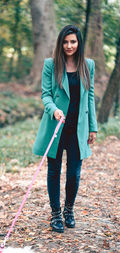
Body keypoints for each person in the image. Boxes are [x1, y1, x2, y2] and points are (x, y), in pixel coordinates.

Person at [33, 25, 98, 233]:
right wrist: (54, 110)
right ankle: (55, 213)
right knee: (54, 171)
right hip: (57, 125)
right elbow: (46, 95)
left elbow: (90, 97)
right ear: (60, 43)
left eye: (73, 41)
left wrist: (93, 128)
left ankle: (69, 210)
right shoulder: (51, 65)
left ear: (79, 43)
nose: (69, 46)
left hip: (78, 127)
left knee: (74, 173)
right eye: (65, 41)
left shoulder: (88, 65)